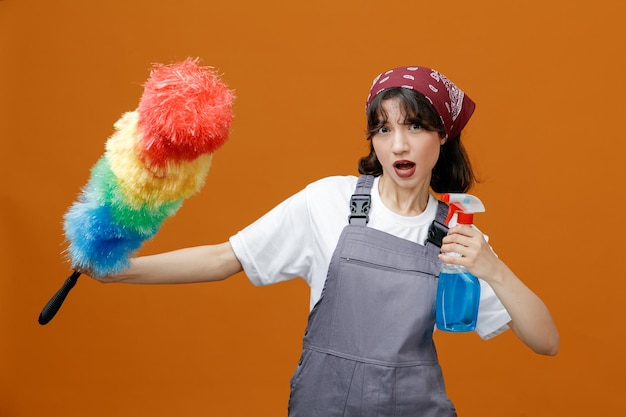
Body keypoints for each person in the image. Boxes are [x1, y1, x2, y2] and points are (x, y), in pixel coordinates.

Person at [90, 66, 560, 416]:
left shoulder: (457, 236)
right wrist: (120, 271)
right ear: (373, 141)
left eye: (414, 126)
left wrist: (493, 268)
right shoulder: (327, 202)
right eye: (383, 128)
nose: (398, 144)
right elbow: (224, 257)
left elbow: (546, 342)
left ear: (442, 138)